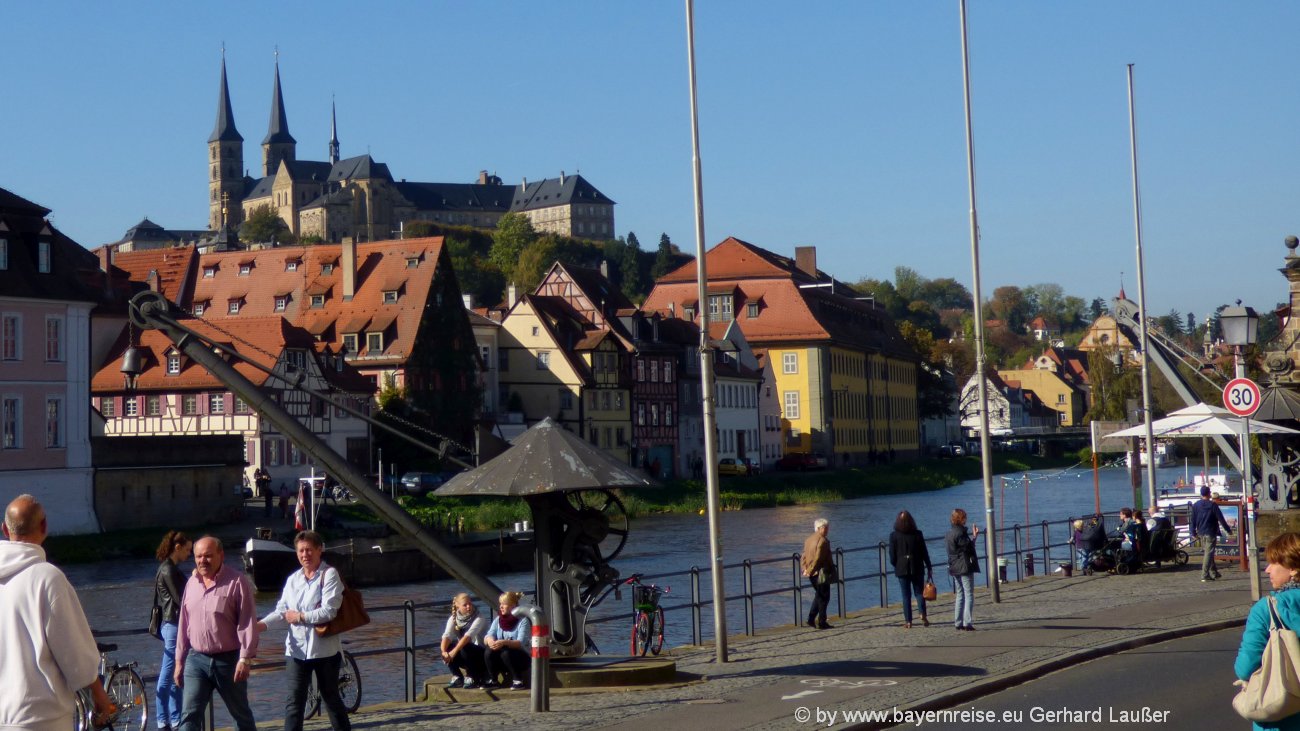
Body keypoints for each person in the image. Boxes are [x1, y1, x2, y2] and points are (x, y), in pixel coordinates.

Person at [0, 494, 114, 730]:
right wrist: (98, 693)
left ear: (4, 529)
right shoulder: (47, 578)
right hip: (40, 717)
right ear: (44, 527)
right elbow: (73, 649)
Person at [255, 530, 351, 731]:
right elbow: (282, 611)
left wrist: (300, 617)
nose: (305, 554)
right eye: (301, 551)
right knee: (294, 703)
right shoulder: (293, 579)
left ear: (319, 549)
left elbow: (329, 611)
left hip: (324, 649)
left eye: (309, 550)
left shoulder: (329, 575)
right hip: (296, 650)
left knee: (331, 699)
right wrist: (260, 626)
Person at [174, 536, 259, 731]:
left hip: (229, 661)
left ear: (221, 555)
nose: (202, 560)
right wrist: (179, 661)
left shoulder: (237, 581)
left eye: (208, 556)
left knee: (241, 716)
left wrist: (245, 659)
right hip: (197, 660)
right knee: (189, 717)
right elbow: (183, 624)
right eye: (198, 556)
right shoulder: (191, 584)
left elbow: (247, 622)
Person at [1235, 532, 1300, 731]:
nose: (1267, 569)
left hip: (1283, 717)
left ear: (1293, 569)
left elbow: (1245, 667)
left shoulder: (1266, 609)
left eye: (1274, 563)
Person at [154, 530, 193, 731]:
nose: (189, 554)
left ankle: (175, 718)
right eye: (187, 550)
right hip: (173, 624)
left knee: (176, 671)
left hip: (174, 624)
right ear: (177, 548)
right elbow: (181, 599)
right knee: (169, 671)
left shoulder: (170, 568)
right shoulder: (168, 570)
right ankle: (163, 719)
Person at [889, 510, 932, 628]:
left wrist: (897, 565)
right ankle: (922, 613)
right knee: (919, 593)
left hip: (901, 568)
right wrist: (929, 566)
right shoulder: (918, 534)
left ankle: (908, 621)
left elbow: (892, 556)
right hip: (917, 566)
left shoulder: (893, 536)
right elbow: (924, 552)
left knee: (905, 595)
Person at [482, 591, 531, 690]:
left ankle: (518, 680)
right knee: (489, 650)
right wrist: (490, 641)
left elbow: (520, 643)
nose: (501, 607)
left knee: (506, 653)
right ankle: (493, 680)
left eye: (504, 604)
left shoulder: (523, 621)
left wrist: (504, 642)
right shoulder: (498, 620)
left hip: (521, 658)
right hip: (503, 659)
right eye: (500, 604)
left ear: (513, 606)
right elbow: (488, 635)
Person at [441, 593, 488, 689]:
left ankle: (471, 676)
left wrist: (454, 652)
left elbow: (468, 636)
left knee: (465, 646)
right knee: (447, 647)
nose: (468, 606)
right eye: (465, 605)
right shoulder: (453, 619)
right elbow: (447, 636)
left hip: (480, 655)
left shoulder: (479, 618)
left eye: (470, 603)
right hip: (465, 654)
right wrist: (444, 652)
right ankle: (457, 676)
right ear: (457, 605)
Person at [945, 508, 980, 631]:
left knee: (960, 593)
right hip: (964, 566)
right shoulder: (961, 533)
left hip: (953, 566)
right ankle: (967, 623)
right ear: (961, 519)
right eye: (964, 517)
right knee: (969, 593)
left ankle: (958, 622)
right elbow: (969, 548)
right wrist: (975, 537)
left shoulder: (949, 533)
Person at [1190, 485, 1232, 582]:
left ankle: (1214, 573)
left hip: (1201, 531)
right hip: (1210, 531)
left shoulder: (1196, 505)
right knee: (1208, 553)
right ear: (1209, 494)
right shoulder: (1212, 505)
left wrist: (1193, 532)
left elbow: (1193, 520)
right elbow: (1220, 518)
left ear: (1201, 494)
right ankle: (1204, 575)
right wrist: (1228, 530)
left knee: (1208, 552)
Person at [800, 518, 835, 630]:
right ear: (819, 528)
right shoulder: (823, 541)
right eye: (825, 527)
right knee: (824, 596)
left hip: (812, 573)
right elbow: (818, 558)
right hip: (821, 572)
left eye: (827, 527)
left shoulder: (808, 539)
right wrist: (810, 570)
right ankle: (822, 622)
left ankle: (811, 619)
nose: (827, 529)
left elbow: (803, 556)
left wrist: (805, 568)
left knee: (819, 595)